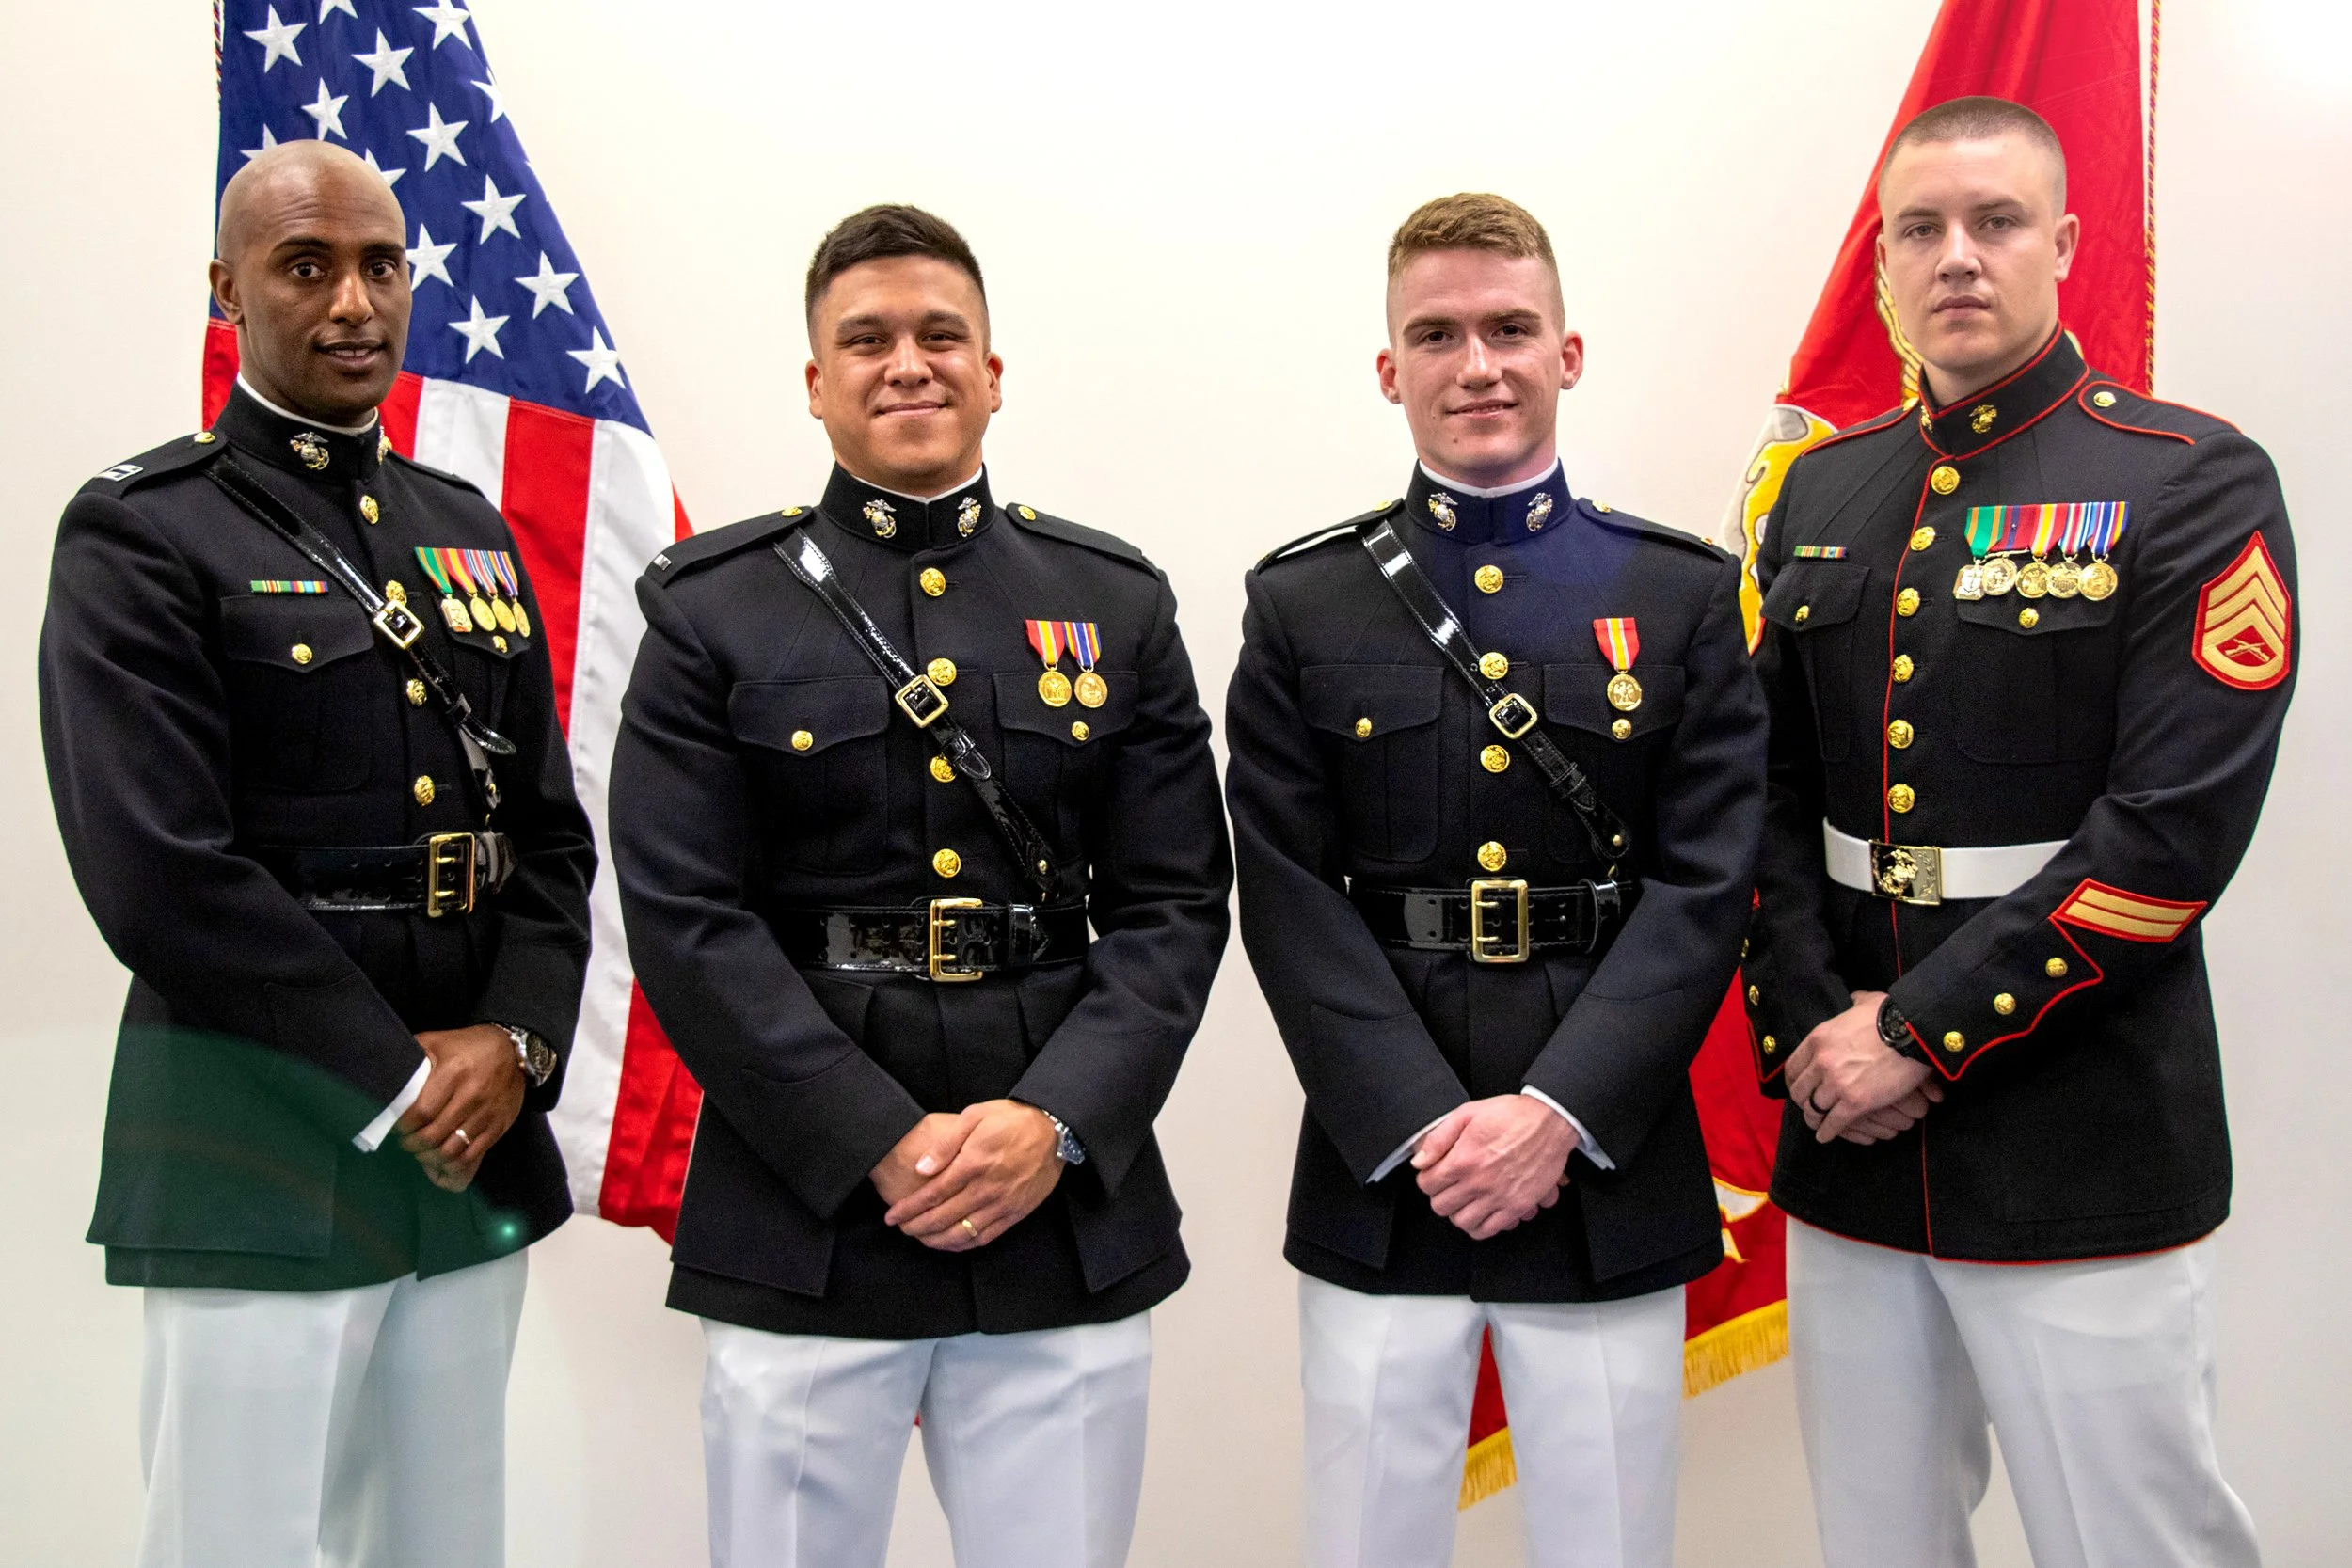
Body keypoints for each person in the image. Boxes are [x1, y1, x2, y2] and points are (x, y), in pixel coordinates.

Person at [609, 204, 1232, 1568]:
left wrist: (1056, 1121)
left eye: (941, 335)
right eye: (868, 339)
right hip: (808, 1194)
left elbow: (1176, 903)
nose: (909, 364)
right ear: (817, 382)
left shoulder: (1112, 599)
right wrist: (868, 1136)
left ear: (994, 370)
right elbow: (685, 914)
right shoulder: (714, 608)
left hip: (1054, 1197)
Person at [1744, 96, 2284, 1568]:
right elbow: (1765, 799)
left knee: (2135, 1541)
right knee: (1878, 1539)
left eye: (1993, 223)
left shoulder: (2186, 479)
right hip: (1849, 1129)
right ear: (1884, 267)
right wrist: (1813, 1032)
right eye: (1919, 229)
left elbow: (2169, 838)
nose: (1956, 257)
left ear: (2064, 241)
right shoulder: (1821, 490)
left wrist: (1913, 1037)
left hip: (2078, 1123)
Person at [38, 142, 595, 1568]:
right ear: (228, 293)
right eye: (306, 267)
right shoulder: (144, 531)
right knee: (241, 1540)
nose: (355, 301)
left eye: (382, 266)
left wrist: (515, 1042)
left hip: (470, 1141)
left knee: (442, 1538)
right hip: (258, 1125)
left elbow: (545, 830)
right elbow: (159, 869)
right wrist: (408, 1073)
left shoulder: (467, 534)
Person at [1224, 193, 1766, 1568]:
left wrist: (1560, 1111)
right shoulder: (1305, 602)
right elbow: (1285, 889)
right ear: (1389, 368)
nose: (1479, 364)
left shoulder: (1682, 594)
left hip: (1604, 1146)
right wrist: (1418, 1120)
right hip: (1385, 1155)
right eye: (1439, 333)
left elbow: (1709, 883)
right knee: (1366, 1540)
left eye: (1511, 328)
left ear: (1567, 351)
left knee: (1611, 1541)